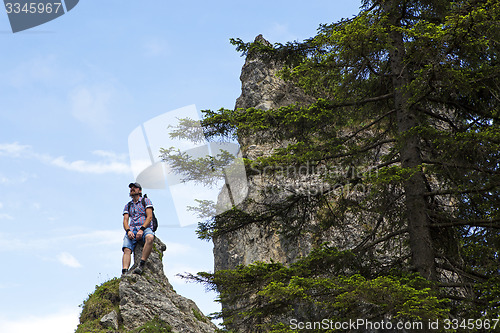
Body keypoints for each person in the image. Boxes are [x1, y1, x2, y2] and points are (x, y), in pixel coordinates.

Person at [122, 182, 155, 275]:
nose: (132, 189)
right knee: (126, 249)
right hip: (132, 229)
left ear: (139, 190)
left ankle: (141, 264)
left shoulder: (146, 201)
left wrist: (142, 229)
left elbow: (149, 217)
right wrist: (128, 231)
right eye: (131, 188)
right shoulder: (128, 205)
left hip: (145, 228)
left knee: (150, 238)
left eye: (135, 187)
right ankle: (124, 272)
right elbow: (125, 221)